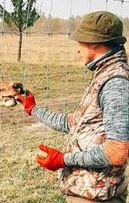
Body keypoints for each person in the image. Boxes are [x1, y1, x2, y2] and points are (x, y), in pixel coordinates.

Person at [17, 11, 129, 203]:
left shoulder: (115, 83)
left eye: (81, 42)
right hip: (89, 191)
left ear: (94, 42)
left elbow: (116, 151)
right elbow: (76, 124)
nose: (78, 49)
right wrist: (34, 109)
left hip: (96, 196)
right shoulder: (104, 75)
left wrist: (63, 160)